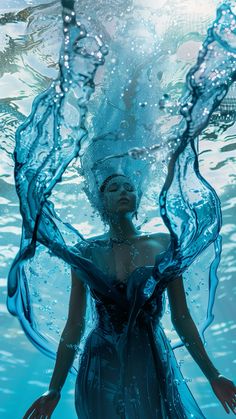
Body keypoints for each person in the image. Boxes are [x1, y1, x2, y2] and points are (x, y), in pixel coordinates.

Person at [23, 173, 236, 419]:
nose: (123, 191)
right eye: (113, 188)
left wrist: (213, 374)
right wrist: (54, 388)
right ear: (101, 202)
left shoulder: (166, 244)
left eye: (129, 188)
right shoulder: (85, 252)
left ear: (138, 198)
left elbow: (182, 317)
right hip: (100, 362)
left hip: (149, 358)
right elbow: (74, 325)